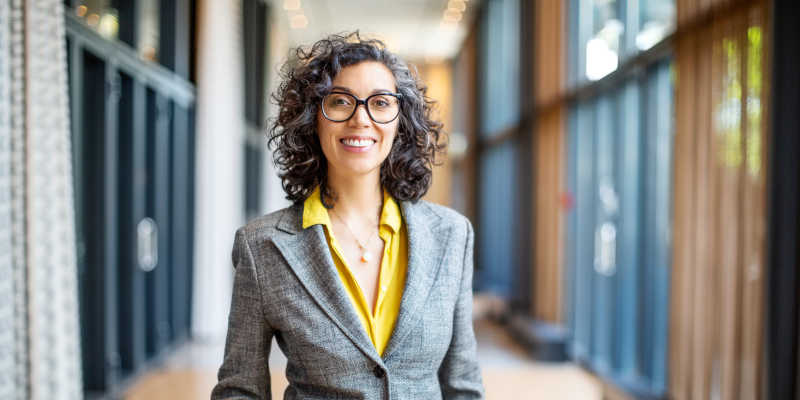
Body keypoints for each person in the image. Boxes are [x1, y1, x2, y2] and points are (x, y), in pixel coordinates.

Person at [211, 32, 484, 399]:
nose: (361, 119)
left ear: (400, 121)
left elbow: (463, 386)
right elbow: (239, 389)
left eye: (381, 103)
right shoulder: (262, 247)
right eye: (340, 102)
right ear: (313, 118)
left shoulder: (452, 235)